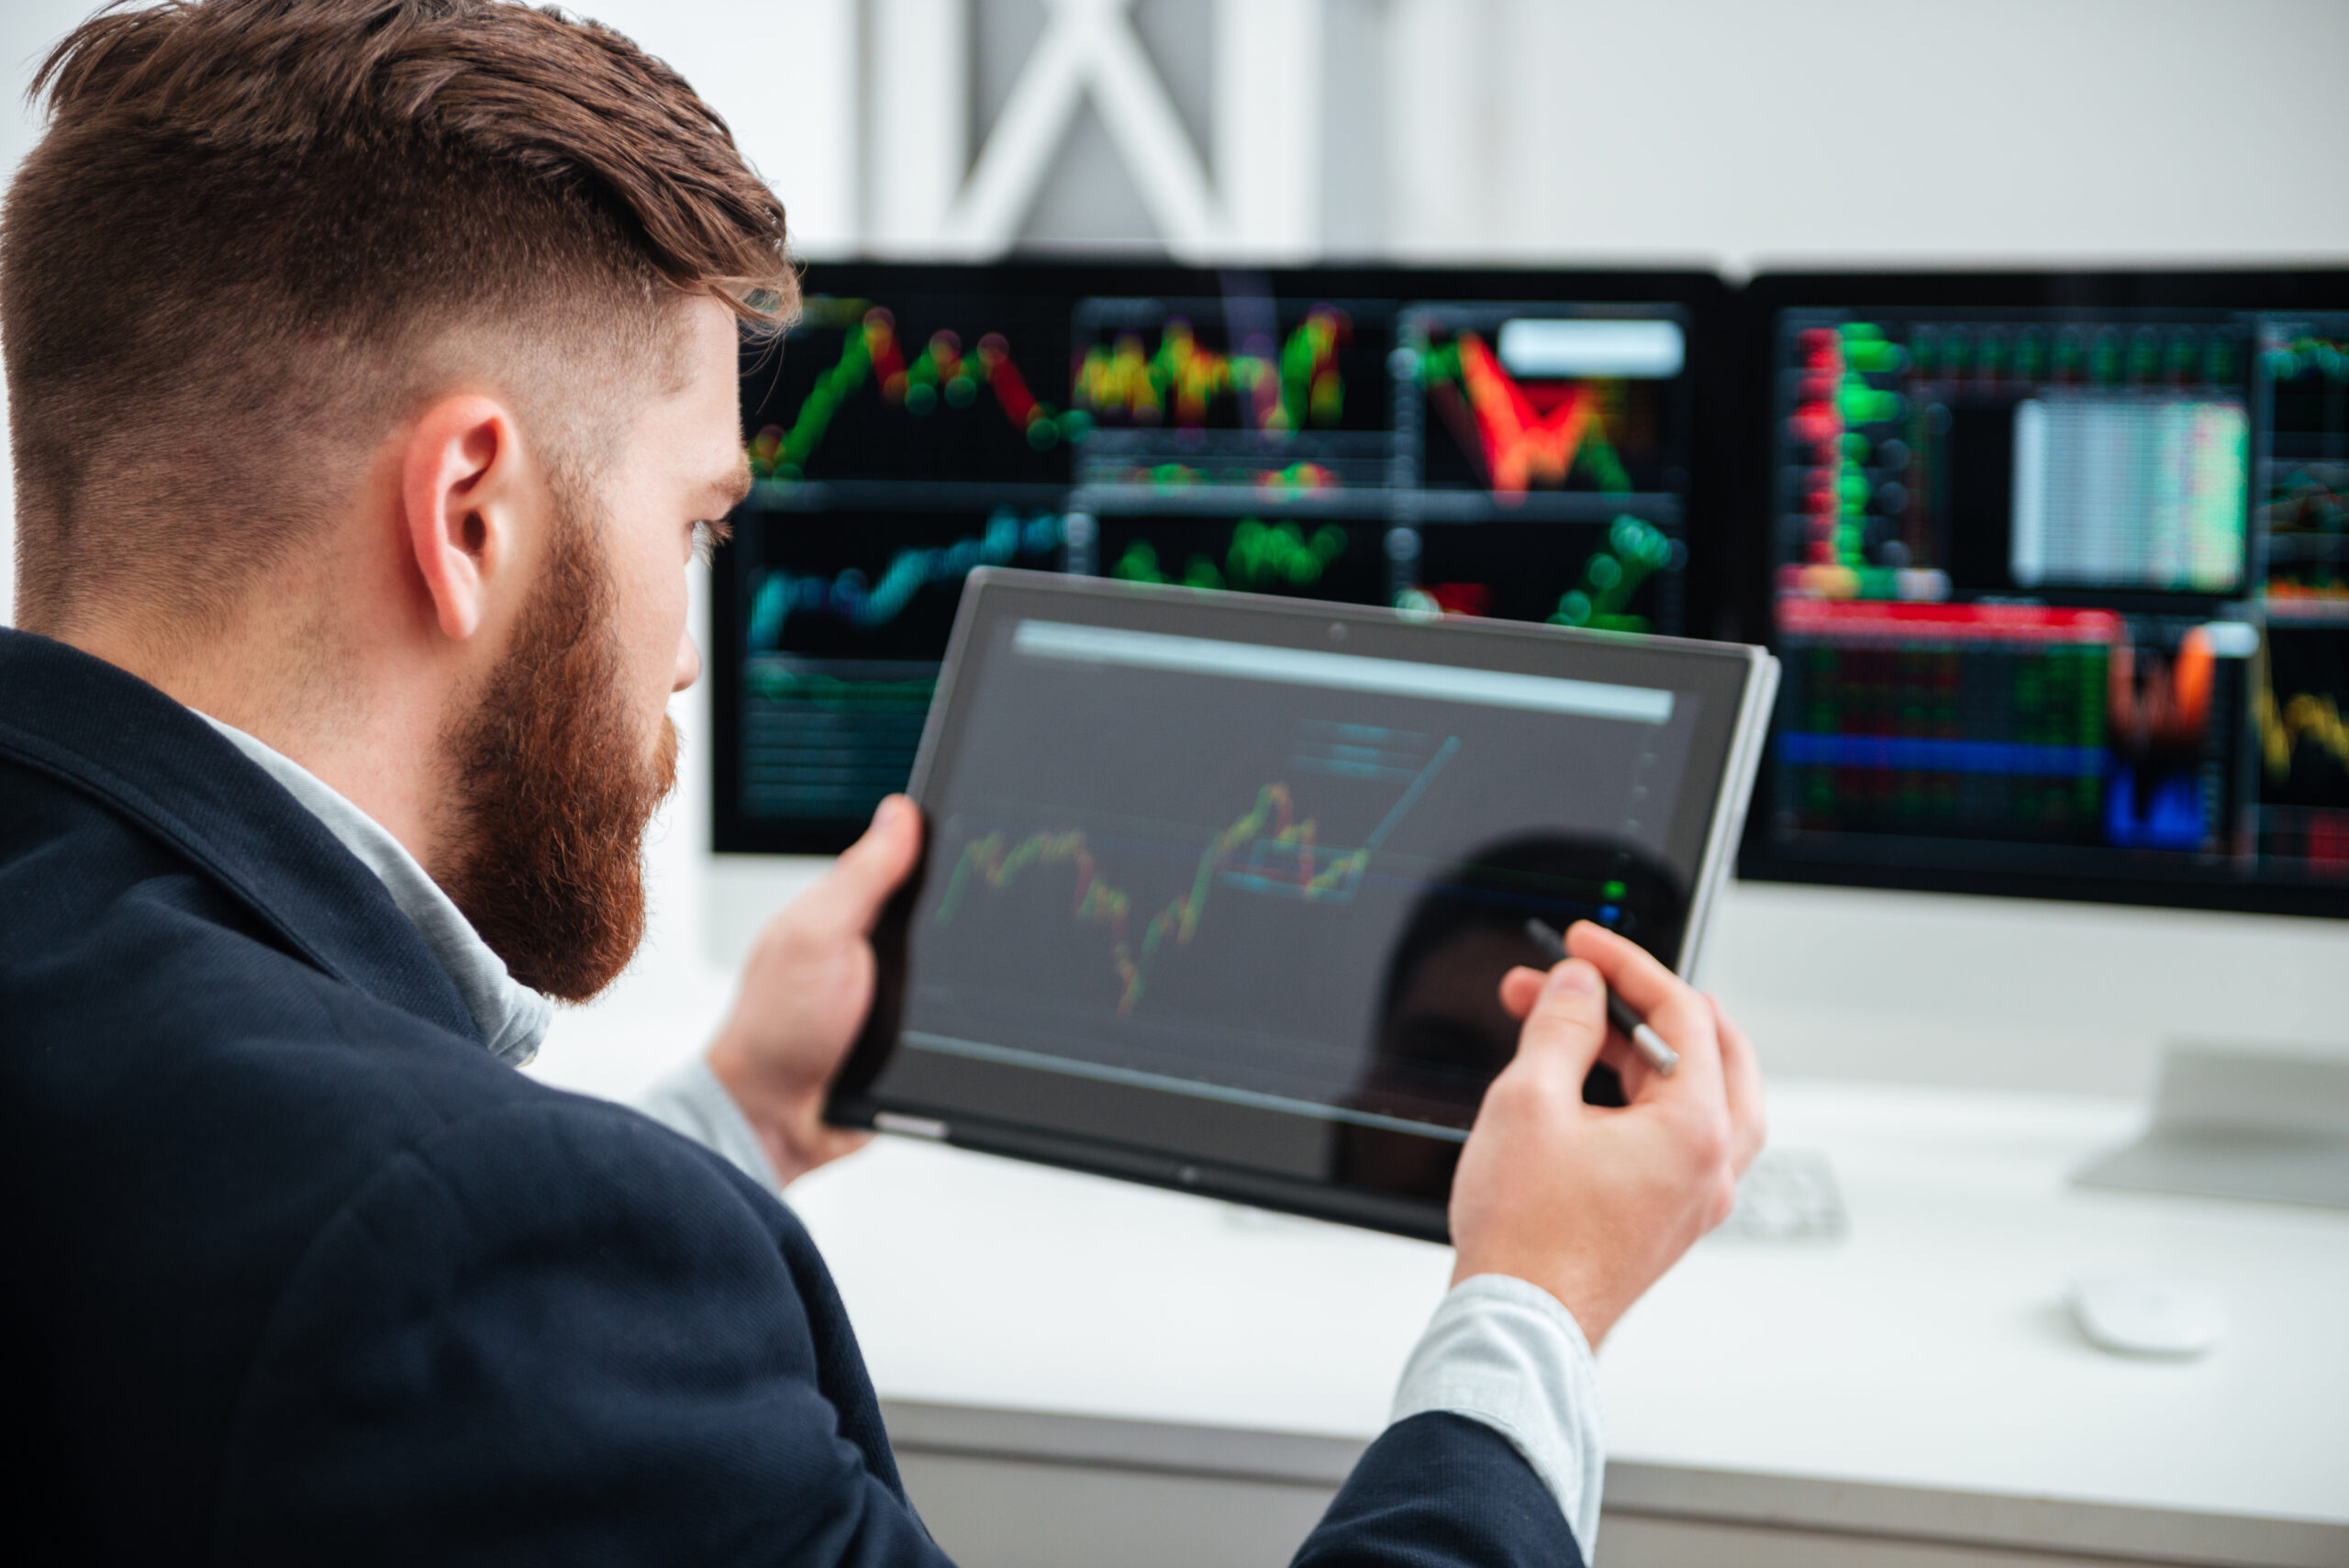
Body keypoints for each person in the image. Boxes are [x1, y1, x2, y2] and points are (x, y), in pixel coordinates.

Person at [0, 2, 1766, 1562]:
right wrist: (1529, 1303)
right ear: (472, 514)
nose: (685, 652)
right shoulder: (480, 1243)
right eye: (695, 528)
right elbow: (415, 1259)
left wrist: (743, 1112)